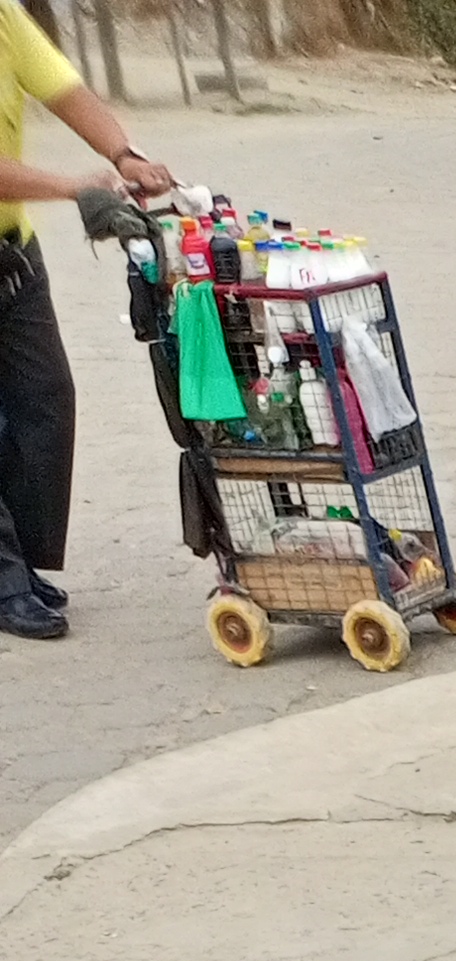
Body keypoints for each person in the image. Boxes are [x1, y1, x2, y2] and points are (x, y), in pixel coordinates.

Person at [0, 0, 172, 643]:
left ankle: (19, 561)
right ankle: (4, 579)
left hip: (12, 253)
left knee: (46, 401)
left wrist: (124, 155)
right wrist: (76, 187)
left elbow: (65, 91)